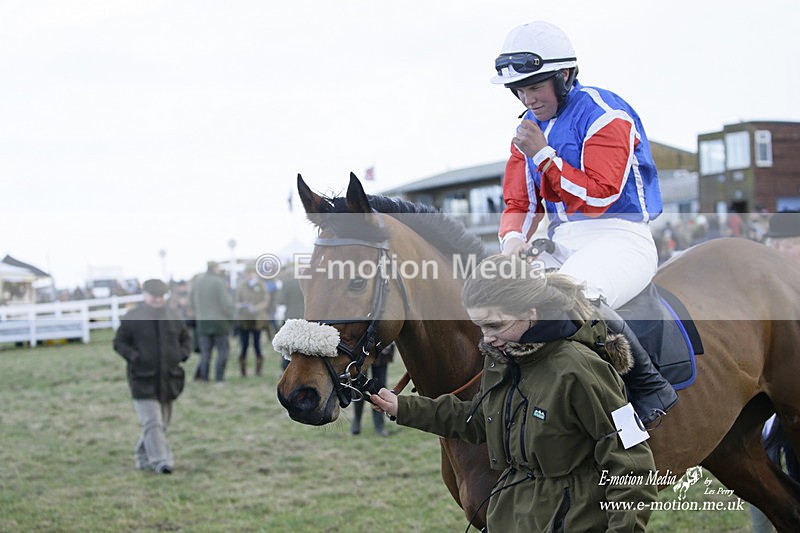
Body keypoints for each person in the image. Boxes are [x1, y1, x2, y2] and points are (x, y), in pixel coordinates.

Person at [371, 255, 657, 531]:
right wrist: (402, 407)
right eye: (480, 327)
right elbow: (480, 419)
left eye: (495, 325)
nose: (487, 338)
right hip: (511, 519)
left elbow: (632, 462)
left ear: (530, 312)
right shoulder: (503, 358)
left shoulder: (581, 369)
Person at [490, 20, 676, 427]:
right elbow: (519, 201)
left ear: (564, 75)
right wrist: (512, 241)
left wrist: (543, 155)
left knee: (570, 296)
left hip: (620, 235)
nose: (527, 98)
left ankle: (650, 387)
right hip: (561, 240)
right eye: (519, 90)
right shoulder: (526, 130)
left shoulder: (605, 113)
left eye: (535, 86)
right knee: (500, 300)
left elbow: (600, 195)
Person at [750, 212, 800, 532]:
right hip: (772, 401)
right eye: (774, 244)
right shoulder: (766, 291)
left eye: (788, 244)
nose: (778, 251)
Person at [113, 279, 191, 474]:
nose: (157, 300)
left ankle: (142, 457)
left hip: (169, 379)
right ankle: (161, 461)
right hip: (142, 379)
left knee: (161, 424)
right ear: (145, 295)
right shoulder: (133, 317)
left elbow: (186, 339)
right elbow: (119, 343)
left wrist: (181, 354)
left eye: (161, 296)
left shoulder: (173, 315)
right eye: (154, 296)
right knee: (152, 422)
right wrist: (134, 357)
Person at [191, 261, 234, 382]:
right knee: (223, 352)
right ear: (215, 268)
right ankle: (219, 378)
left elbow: (191, 301)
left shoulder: (197, 282)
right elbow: (226, 304)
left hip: (202, 323)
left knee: (205, 353)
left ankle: (204, 378)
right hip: (219, 323)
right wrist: (231, 316)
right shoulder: (218, 282)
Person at [350, 342, 395, 437]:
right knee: (359, 386)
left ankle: (379, 425)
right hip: (361, 347)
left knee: (380, 386)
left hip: (381, 347)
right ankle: (357, 420)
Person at [235, 265, 271, 377]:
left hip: (257, 319)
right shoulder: (241, 286)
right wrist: (241, 305)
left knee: (257, 345)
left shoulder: (261, 285)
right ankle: (243, 370)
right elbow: (236, 301)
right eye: (248, 274)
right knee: (244, 345)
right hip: (244, 320)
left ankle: (258, 370)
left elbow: (266, 300)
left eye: (251, 274)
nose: (250, 276)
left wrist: (256, 308)